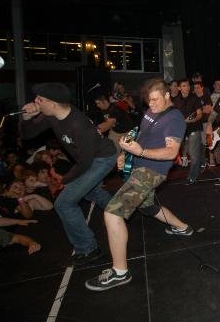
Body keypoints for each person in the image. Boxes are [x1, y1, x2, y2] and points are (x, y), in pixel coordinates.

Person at [85, 78, 192, 292]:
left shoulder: (174, 118)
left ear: (167, 95)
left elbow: (171, 152)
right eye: (148, 100)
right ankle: (183, 228)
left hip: (151, 173)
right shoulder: (152, 112)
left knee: (112, 214)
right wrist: (126, 154)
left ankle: (120, 272)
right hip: (139, 167)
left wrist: (140, 152)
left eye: (155, 100)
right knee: (148, 207)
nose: (151, 104)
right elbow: (142, 136)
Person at [20, 83, 116, 265]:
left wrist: (65, 180)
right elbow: (26, 135)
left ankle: (88, 249)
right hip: (89, 160)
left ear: (53, 103)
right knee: (92, 192)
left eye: (40, 99)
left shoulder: (78, 125)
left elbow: (86, 162)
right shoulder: (52, 115)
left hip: (102, 159)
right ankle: (120, 211)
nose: (35, 102)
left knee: (64, 203)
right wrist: (26, 117)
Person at [173, 79, 203, 184]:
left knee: (193, 154)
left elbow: (199, 114)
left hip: (194, 128)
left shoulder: (195, 98)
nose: (187, 87)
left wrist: (193, 120)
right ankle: (197, 168)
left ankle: (193, 176)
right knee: (188, 152)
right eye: (184, 86)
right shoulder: (176, 100)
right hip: (182, 130)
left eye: (188, 85)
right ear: (179, 88)